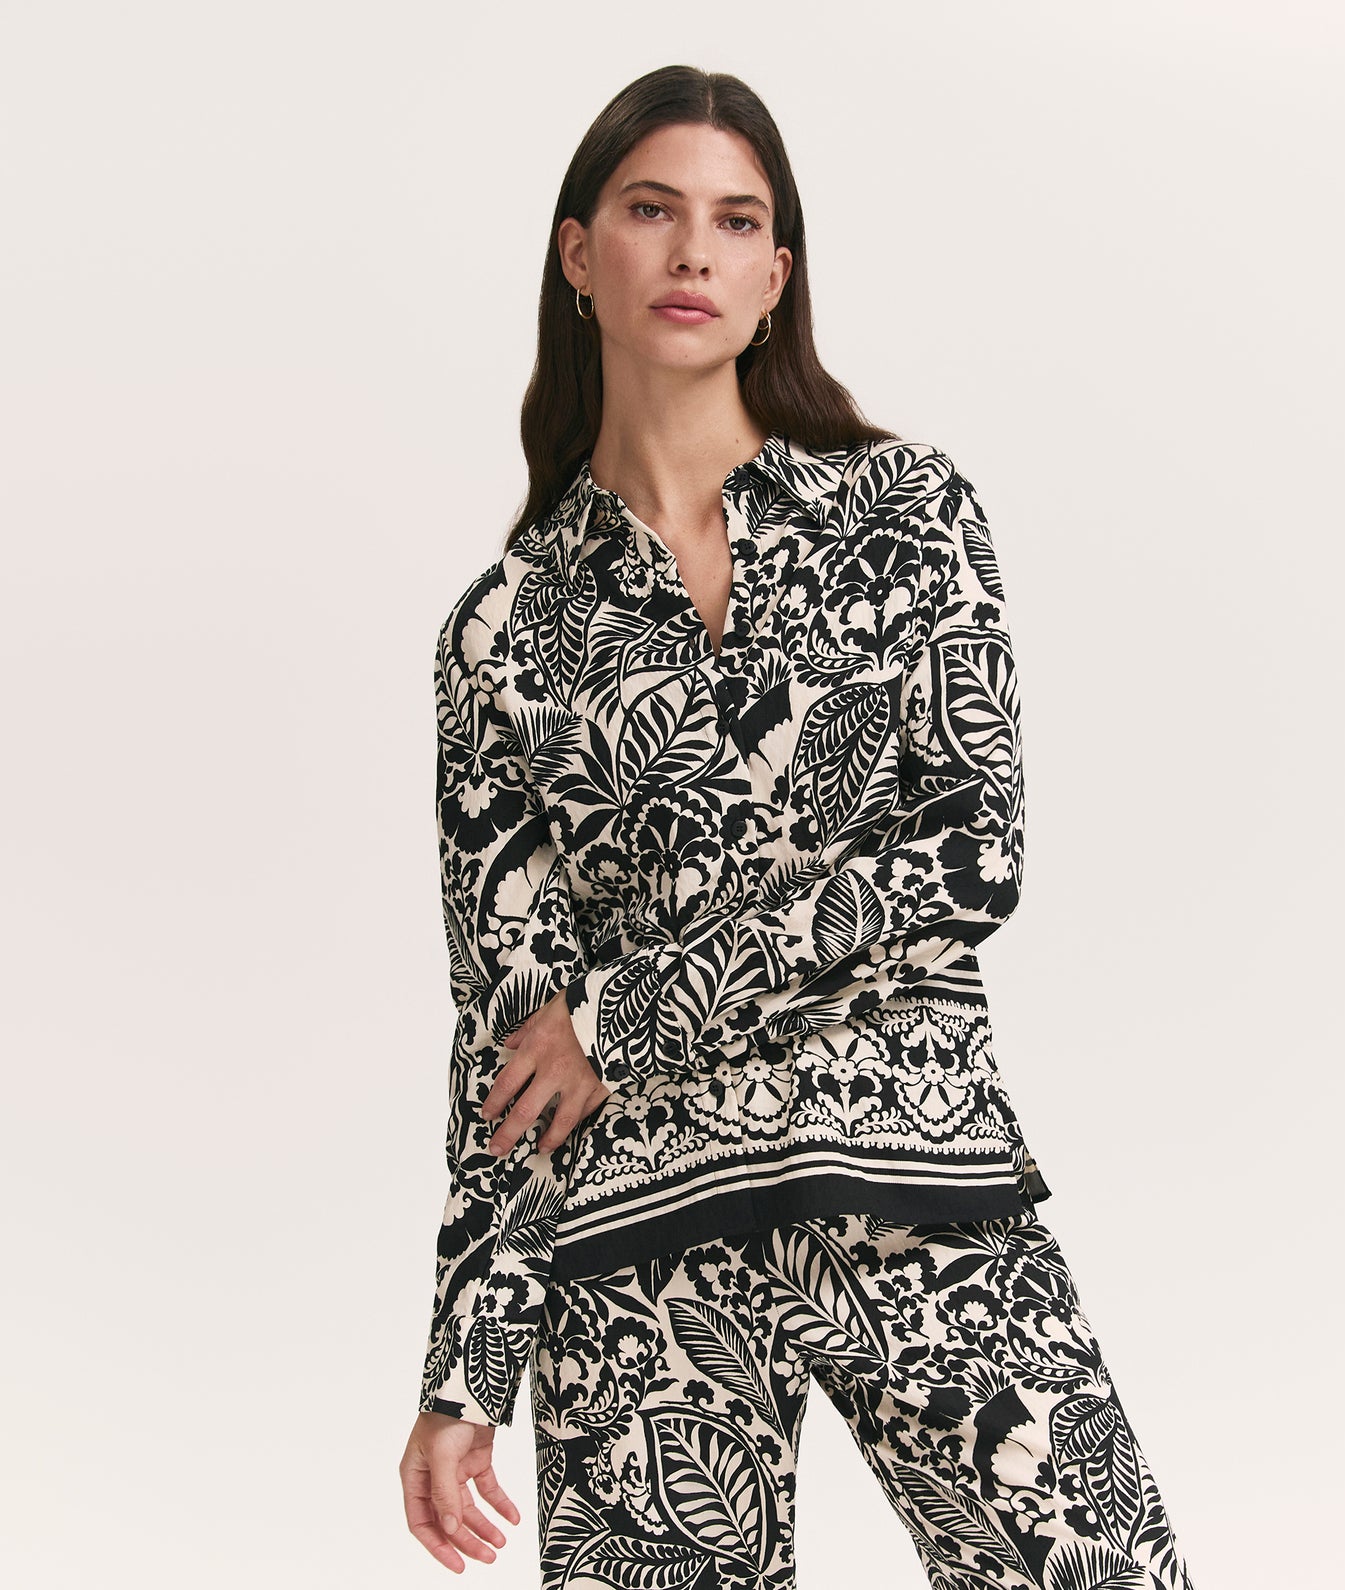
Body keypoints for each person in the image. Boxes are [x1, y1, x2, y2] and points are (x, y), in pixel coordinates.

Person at [399, 64, 1197, 1589]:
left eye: (733, 221)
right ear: (579, 256)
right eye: (652, 210)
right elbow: (510, 1041)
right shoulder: (502, 630)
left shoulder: (905, 511)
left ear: (775, 277)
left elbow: (968, 854)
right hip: (635, 1244)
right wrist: (464, 1367)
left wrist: (625, 1013)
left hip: (912, 1178)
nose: (691, 251)